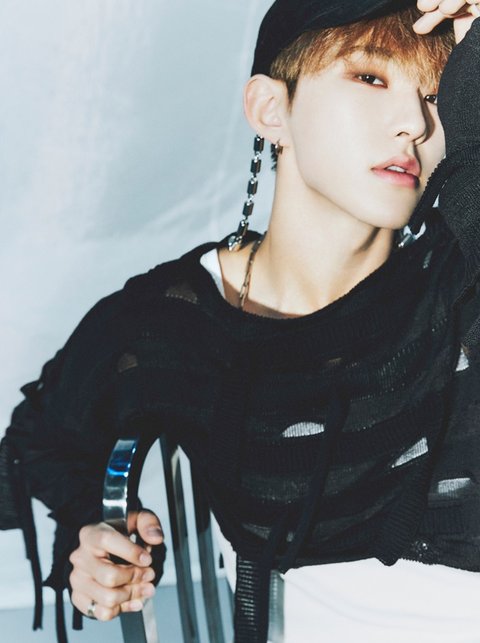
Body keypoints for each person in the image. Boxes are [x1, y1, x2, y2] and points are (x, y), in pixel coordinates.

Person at [2, 0, 480, 641]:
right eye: (370, 77)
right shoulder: (180, 324)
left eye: (438, 93)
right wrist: (95, 534)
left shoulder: (460, 281)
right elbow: (44, 439)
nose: (415, 124)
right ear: (271, 109)